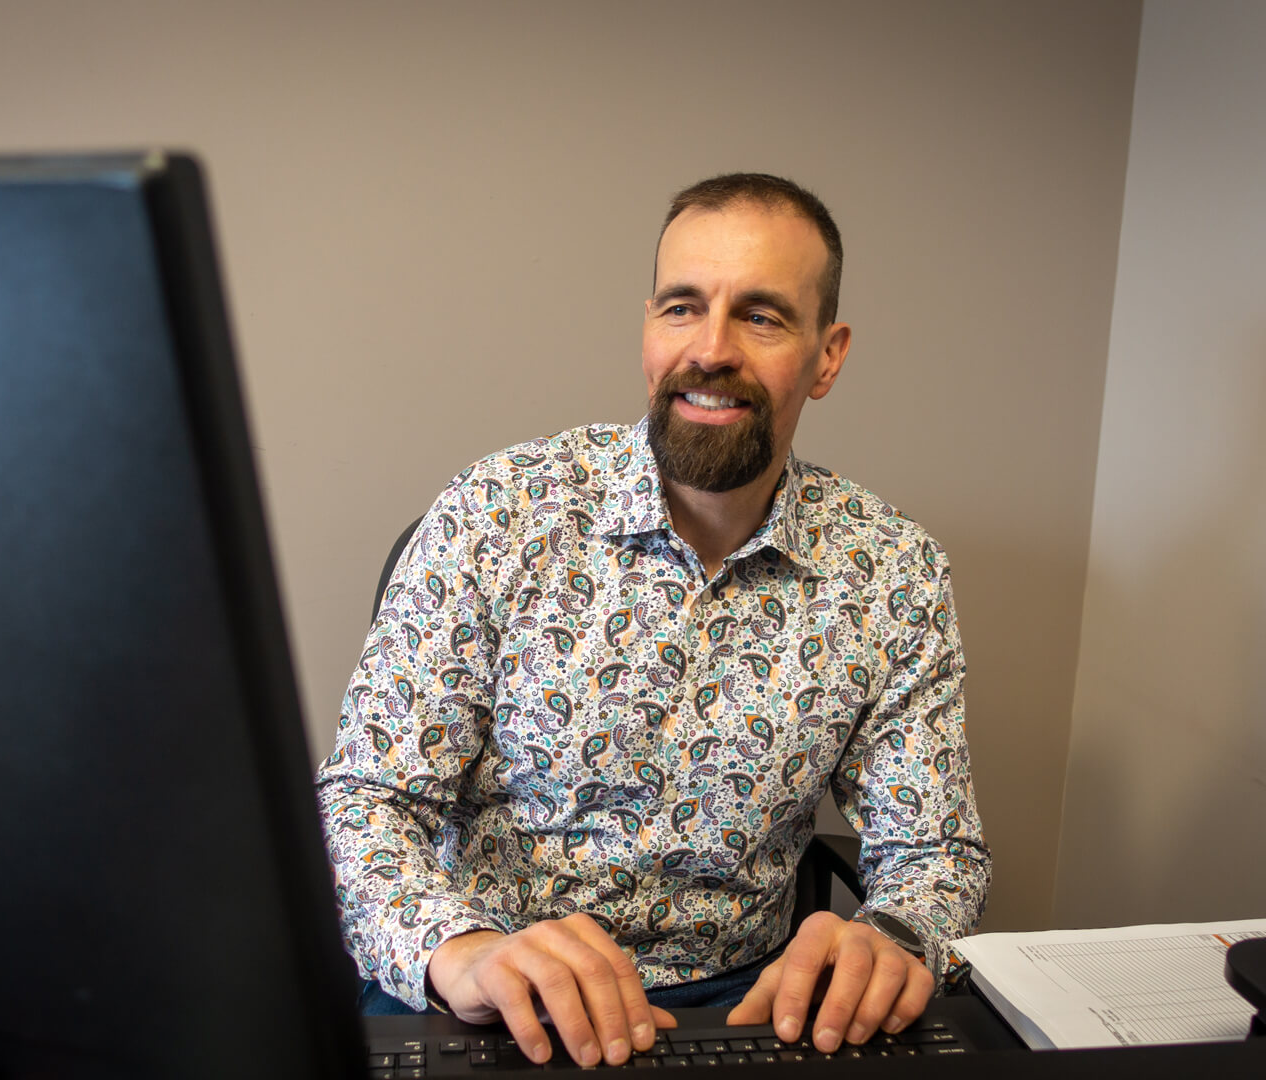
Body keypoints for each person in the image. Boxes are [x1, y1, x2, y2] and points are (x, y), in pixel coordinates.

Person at [316, 173, 989, 1068]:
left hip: (742, 1013)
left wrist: (897, 938)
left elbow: (937, 852)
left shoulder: (895, 574)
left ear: (828, 356)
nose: (709, 349)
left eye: (761, 316)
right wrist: (461, 953)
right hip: (489, 996)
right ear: (648, 326)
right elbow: (365, 803)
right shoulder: (498, 512)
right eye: (682, 307)